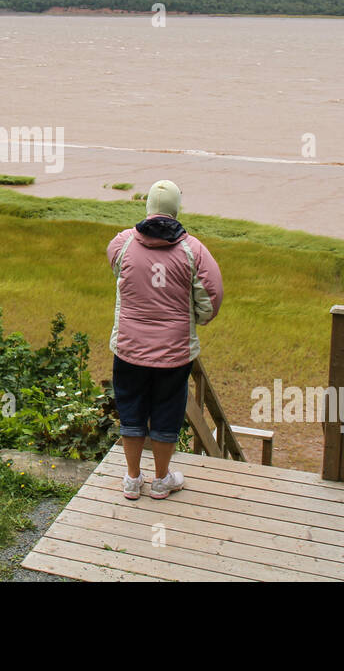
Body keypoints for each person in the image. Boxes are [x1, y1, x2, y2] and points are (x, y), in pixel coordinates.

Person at [106, 180, 223, 499]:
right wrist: (194, 319)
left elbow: (118, 271)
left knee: (131, 410)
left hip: (129, 349)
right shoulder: (193, 250)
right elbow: (211, 299)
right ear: (176, 210)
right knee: (167, 412)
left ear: (148, 209)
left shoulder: (123, 244)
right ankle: (160, 480)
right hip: (173, 353)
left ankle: (132, 479)